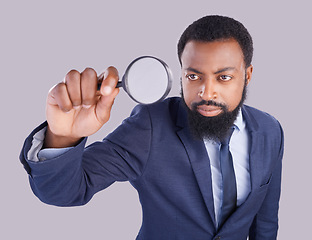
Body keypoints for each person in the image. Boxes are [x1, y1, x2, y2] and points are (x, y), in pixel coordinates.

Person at [20, 15, 284, 240]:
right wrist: (64, 136)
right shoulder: (150, 126)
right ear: (182, 73)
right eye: (193, 76)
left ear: (247, 75)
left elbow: (265, 222)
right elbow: (64, 191)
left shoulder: (270, 130)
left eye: (224, 77)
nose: (206, 91)